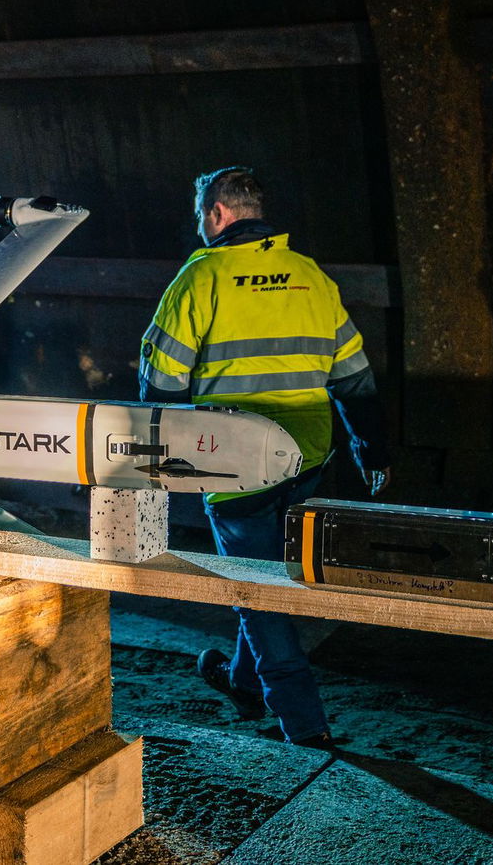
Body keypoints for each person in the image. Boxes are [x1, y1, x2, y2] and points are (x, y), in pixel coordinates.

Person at [138, 166, 390, 749]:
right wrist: (372, 447)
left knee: (253, 587)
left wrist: (158, 466)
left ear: (217, 214)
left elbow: (163, 386)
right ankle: (242, 681)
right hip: (308, 456)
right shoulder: (310, 276)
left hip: (235, 459)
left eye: (202, 214)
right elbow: (354, 376)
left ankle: (302, 719)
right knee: (272, 572)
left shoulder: (201, 277)